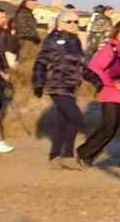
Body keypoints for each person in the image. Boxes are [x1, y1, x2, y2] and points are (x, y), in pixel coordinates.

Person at [77, 21, 120, 169]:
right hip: (111, 94)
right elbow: (94, 68)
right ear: (116, 32)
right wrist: (113, 83)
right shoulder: (109, 49)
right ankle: (85, 152)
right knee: (110, 127)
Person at [32, 11, 90, 166]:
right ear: (60, 23)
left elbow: (82, 66)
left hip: (70, 86)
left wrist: (97, 81)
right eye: (69, 21)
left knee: (62, 122)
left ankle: (54, 157)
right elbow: (41, 61)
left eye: (76, 22)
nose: (74, 24)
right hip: (57, 85)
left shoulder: (76, 41)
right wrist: (38, 82)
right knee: (76, 118)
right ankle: (67, 155)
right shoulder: (53, 39)